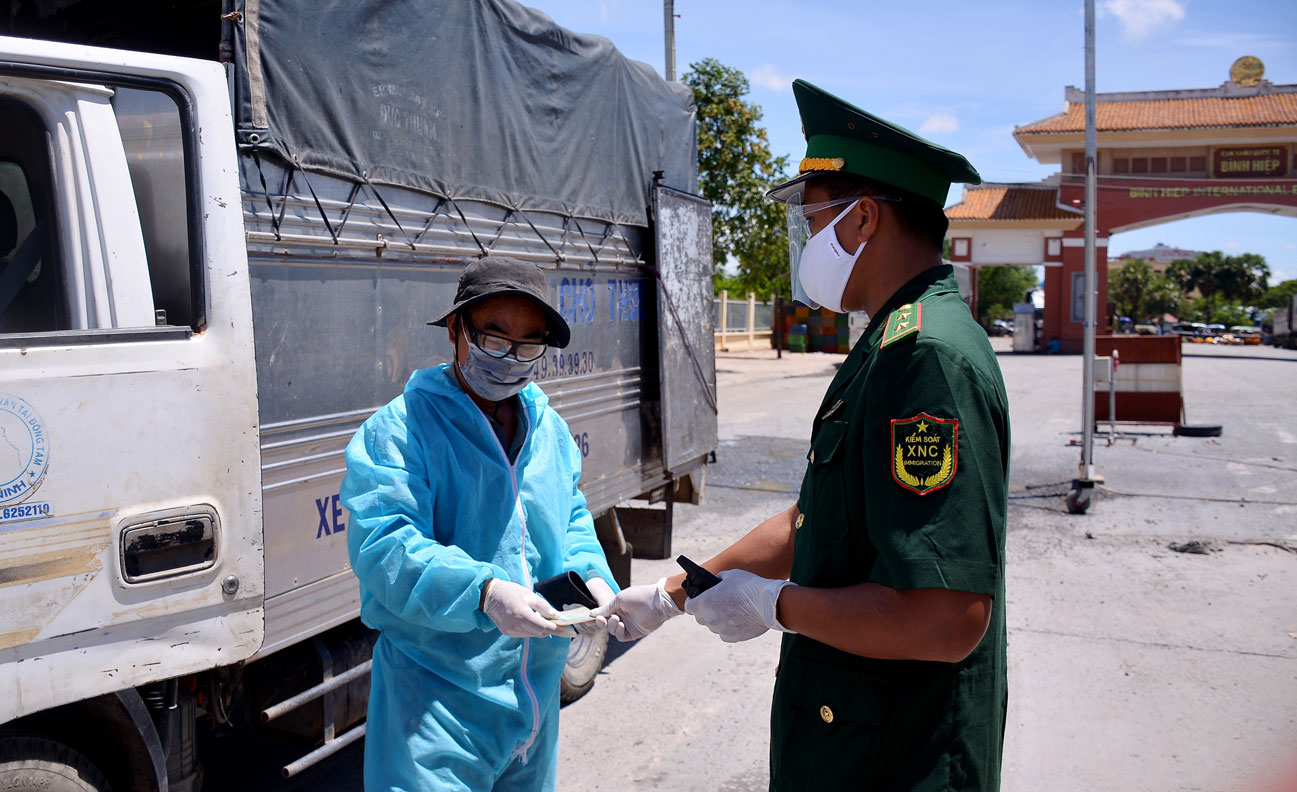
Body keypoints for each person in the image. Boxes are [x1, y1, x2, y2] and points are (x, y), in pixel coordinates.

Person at [598, 80, 1010, 790]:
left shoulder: (924, 356)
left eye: (814, 220)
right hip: (851, 744)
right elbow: (812, 520)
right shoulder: (888, 341)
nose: (806, 241)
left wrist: (771, 603)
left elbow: (945, 620)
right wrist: (675, 593)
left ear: (862, 223)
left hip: (896, 760)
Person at [341, 256, 619, 791]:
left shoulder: (547, 427)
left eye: (528, 344)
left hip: (534, 700)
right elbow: (386, 547)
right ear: (455, 329)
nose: (510, 358)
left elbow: (570, 515)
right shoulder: (399, 431)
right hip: (437, 704)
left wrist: (593, 578)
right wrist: (485, 592)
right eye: (494, 337)